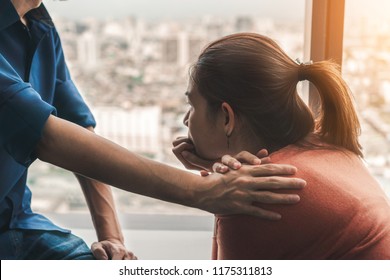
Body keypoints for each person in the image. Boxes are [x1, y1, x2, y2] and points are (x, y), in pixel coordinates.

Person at [0, 1, 306, 260]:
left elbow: (78, 127)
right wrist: (205, 191)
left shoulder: (39, 25)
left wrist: (113, 241)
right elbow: (43, 133)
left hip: (17, 223)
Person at [173, 32, 390, 259]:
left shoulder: (257, 196)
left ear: (227, 118)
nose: (186, 120)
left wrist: (222, 195)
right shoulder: (326, 147)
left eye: (192, 106)